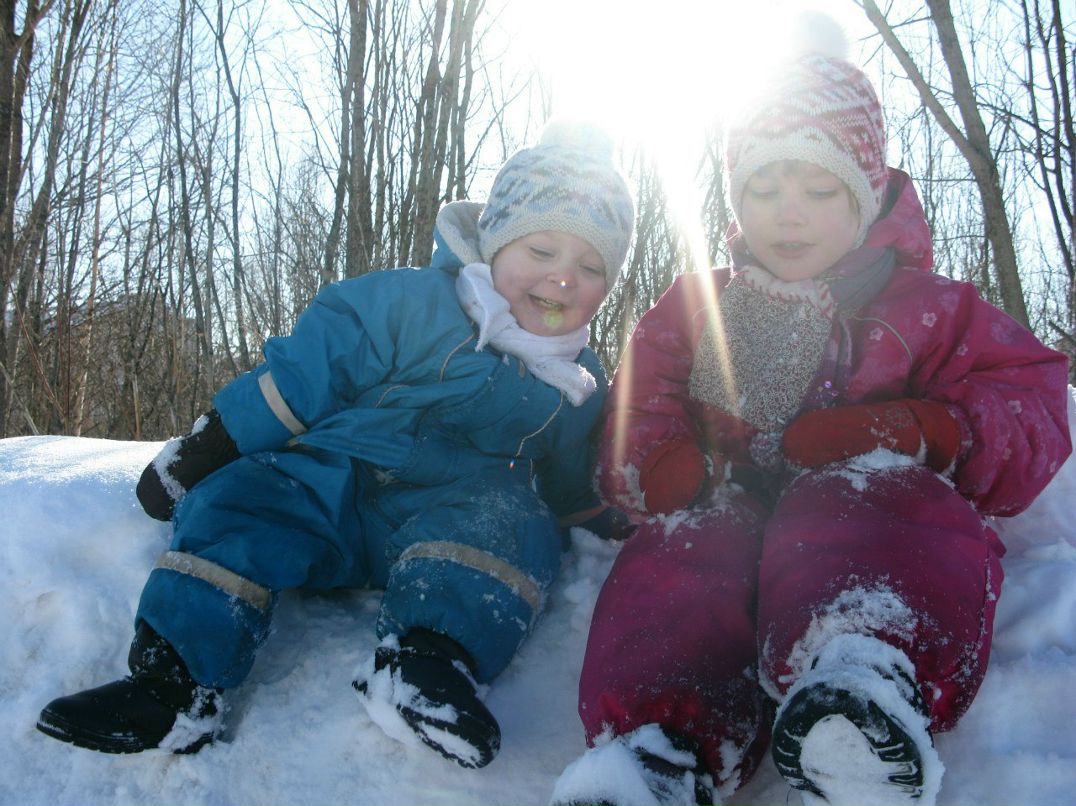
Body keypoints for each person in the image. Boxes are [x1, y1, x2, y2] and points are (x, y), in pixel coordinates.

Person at [550, 20, 1072, 806]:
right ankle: (660, 743)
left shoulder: (927, 307)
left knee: (878, 511)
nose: (787, 213)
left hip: (867, 495)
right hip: (725, 500)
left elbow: (1030, 399)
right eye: (764, 188)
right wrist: (657, 462)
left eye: (818, 189)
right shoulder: (703, 306)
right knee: (679, 560)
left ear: (865, 196)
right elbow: (638, 403)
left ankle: (862, 682)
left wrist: (927, 431)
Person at [36, 121, 635, 769]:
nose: (564, 279)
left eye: (591, 265)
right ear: (495, 241)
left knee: (516, 518)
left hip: (449, 524)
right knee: (241, 497)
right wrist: (211, 445)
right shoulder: (410, 303)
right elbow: (303, 376)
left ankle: (429, 664)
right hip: (330, 481)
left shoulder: (577, 381)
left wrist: (605, 520)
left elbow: (572, 475)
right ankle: (175, 683)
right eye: (542, 252)